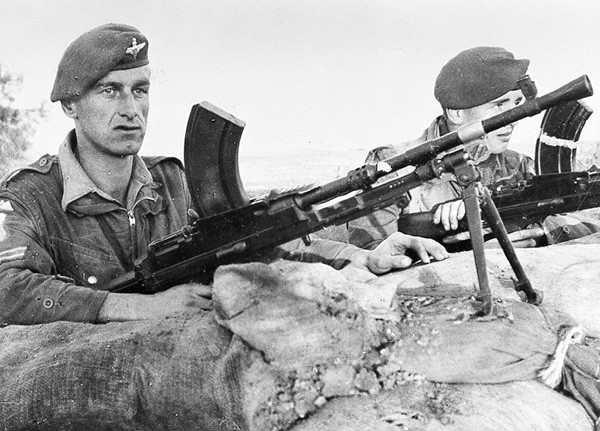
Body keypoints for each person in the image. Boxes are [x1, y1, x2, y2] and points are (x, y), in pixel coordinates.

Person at [0, 24, 448, 328]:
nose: (131, 109)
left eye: (140, 90)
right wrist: (135, 308)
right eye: (109, 91)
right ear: (70, 104)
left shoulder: (171, 180)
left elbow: (255, 239)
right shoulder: (29, 196)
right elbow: (8, 288)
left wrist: (356, 257)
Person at [348, 46, 548, 250]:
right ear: (456, 113)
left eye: (516, 103)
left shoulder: (518, 166)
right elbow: (373, 253)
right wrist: (479, 250)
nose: (512, 120)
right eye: (498, 106)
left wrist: (541, 235)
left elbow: (571, 220)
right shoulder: (393, 166)